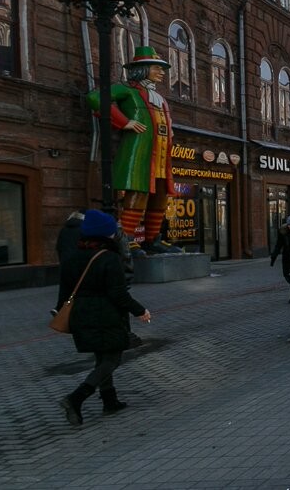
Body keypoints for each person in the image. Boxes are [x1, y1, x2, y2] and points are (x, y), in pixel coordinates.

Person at [56, 209, 151, 427]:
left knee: (102, 357)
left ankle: (109, 400)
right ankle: (75, 398)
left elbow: (64, 291)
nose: (114, 234)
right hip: (106, 315)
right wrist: (140, 310)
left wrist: (61, 311)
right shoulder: (109, 258)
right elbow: (118, 293)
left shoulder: (72, 258)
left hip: (81, 315)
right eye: (111, 231)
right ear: (104, 234)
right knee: (112, 359)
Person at [85, 46, 177, 256]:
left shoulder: (159, 98)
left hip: (162, 157)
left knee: (160, 197)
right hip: (139, 155)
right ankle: (128, 239)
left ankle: (152, 239)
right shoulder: (127, 90)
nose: (162, 72)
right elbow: (95, 98)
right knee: (138, 194)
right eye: (157, 68)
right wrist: (124, 122)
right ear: (143, 69)